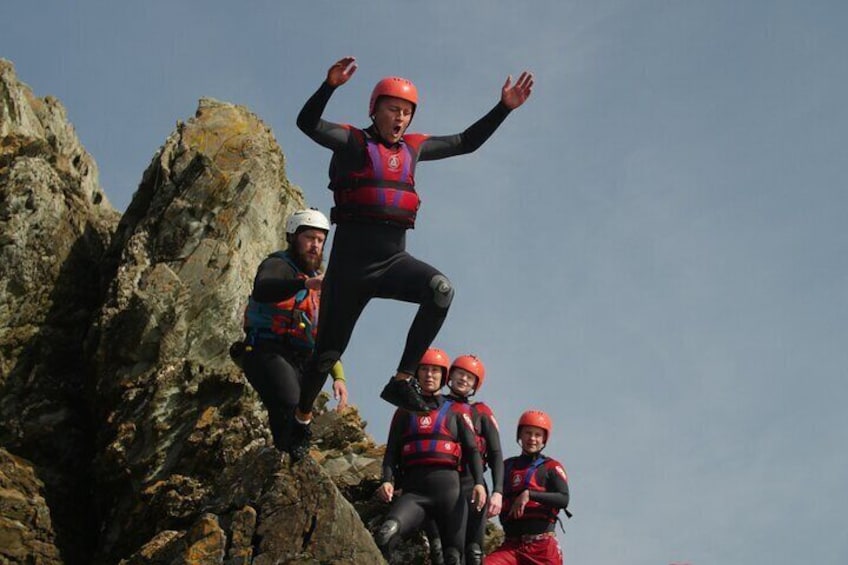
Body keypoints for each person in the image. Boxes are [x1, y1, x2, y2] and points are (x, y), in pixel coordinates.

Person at [290, 56, 534, 455]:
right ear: (375, 110)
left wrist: (503, 108)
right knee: (326, 357)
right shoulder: (353, 141)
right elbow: (308, 124)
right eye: (393, 109)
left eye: (406, 111)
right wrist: (329, 86)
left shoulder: (415, 148)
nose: (400, 117)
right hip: (349, 273)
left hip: (392, 264)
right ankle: (300, 418)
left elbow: (465, 142)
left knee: (441, 290)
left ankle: (402, 378)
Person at [237, 208, 348, 461]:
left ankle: (286, 462)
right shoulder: (278, 265)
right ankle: (287, 460)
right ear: (292, 237)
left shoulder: (318, 286)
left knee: (296, 413)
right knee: (290, 402)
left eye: (320, 241)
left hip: (300, 357)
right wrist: (304, 284)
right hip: (265, 349)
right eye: (309, 238)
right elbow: (264, 289)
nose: (315, 246)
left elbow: (324, 335)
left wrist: (338, 377)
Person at [375, 348, 488, 565]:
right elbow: (391, 452)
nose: (429, 375)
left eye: (435, 371)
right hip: (414, 494)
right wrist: (386, 481)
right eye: (424, 369)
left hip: (450, 496)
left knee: (453, 557)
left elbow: (473, 451)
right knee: (386, 535)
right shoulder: (403, 412)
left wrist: (480, 484)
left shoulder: (457, 413)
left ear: (443, 376)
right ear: (416, 374)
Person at [425, 354, 504, 565]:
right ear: (450, 375)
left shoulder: (481, 412)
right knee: (442, 550)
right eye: (460, 373)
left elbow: (496, 453)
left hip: (471, 483)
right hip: (441, 481)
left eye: (470, 378)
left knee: (474, 550)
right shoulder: (433, 405)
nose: (463, 379)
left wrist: (497, 492)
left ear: (475, 385)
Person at [484, 410, 570, 565]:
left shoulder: (551, 467)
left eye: (538, 435)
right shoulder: (507, 467)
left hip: (542, 548)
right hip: (511, 546)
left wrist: (529, 494)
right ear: (520, 436)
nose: (532, 439)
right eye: (528, 433)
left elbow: (564, 499)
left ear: (544, 439)